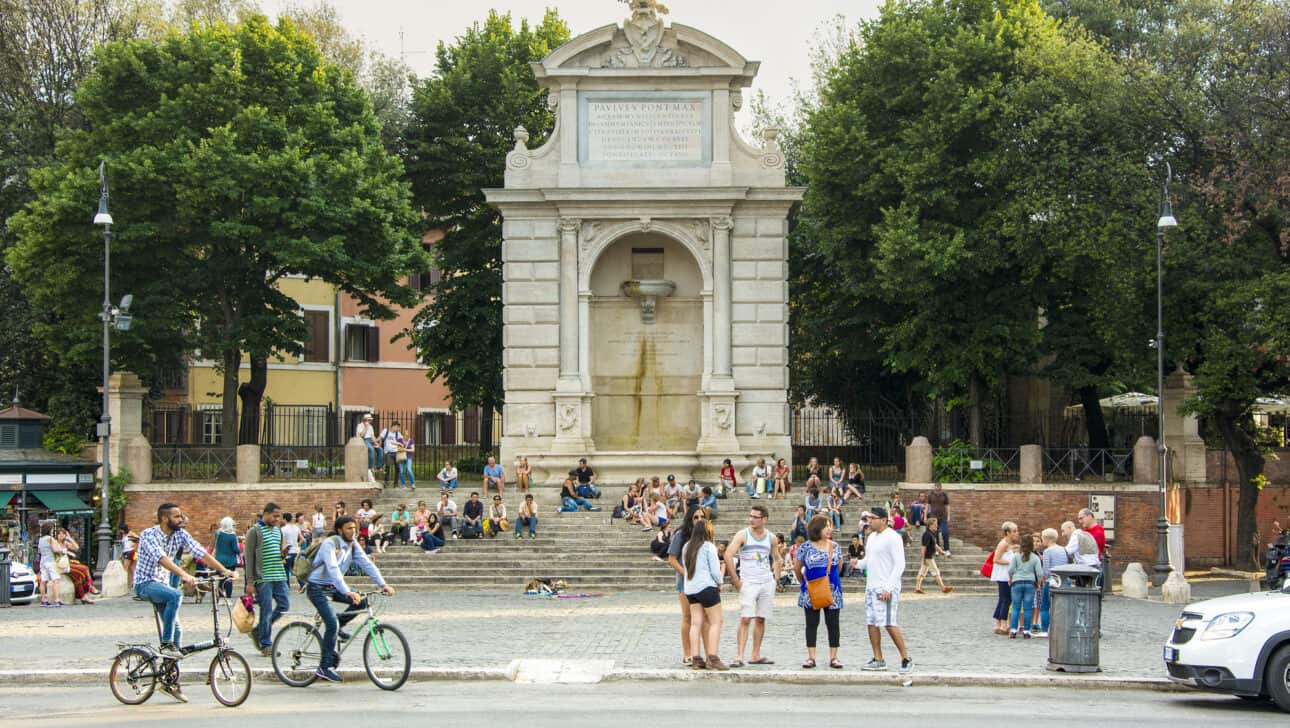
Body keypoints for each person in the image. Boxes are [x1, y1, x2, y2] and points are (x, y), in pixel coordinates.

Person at [134, 503, 234, 700]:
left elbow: (201, 553)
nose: (181, 520)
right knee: (175, 595)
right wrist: (184, 575)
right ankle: (166, 645)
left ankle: (169, 680)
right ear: (165, 519)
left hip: (161, 585)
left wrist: (225, 571)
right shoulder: (149, 534)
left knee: (178, 630)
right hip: (145, 584)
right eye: (177, 516)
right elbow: (162, 559)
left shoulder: (180, 535)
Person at [302, 515, 395, 683]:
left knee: (363, 601)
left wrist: (383, 584)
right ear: (339, 530)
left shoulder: (353, 545)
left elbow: (367, 564)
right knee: (331, 622)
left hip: (334, 586)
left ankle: (338, 625)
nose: (353, 532)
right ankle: (324, 667)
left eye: (354, 528)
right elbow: (333, 569)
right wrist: (347, 591)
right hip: (316, 587)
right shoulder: (330, 543)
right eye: (349, 528)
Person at [854, 507, 912, 673]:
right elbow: (869, 560)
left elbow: (899, 564)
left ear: (884, 520)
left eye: (873, 518)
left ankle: (906, 658)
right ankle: (878, 658)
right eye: (869, 518)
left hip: (885, 587)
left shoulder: (893, 537)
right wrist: (857, 564)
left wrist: (889, 587)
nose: (870, 521)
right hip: (871, 586)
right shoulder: (871, 537)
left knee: (889, 623)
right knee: (872, 622)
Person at [725, 504, 782, 667]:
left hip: (766, 581)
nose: (752, 519)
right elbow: (728, 555)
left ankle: (755, 654)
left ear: (764, 519)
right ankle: (739, 656)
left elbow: (777, 558)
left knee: (761, 618)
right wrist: (736, 580)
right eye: (750, 516)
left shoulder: (771, 537)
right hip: (748, 582)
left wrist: (775, 578)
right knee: (745, 618)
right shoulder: (743, 535)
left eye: (755, 517)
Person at [794, 515, 843, 669]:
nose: (829, 528)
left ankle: (834, 657)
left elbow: (839, 566)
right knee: (811, 624)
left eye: (830, 525)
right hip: (811, 589)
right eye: (826, 525)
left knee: (833, 624)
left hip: (832, 589)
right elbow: (797, 567)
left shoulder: (835, 546)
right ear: (817, 528)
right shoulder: (805, 547)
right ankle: (811, 657)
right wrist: (804, 582)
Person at [243, 502, 290, 657]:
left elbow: (276, 552)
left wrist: (282, 554)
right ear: (266, 513)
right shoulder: (254, 532)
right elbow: (248, 558)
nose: (277, 519)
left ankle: (259, 631)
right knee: (266, 610)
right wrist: (250, 582)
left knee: (284, 605)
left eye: (279, 516)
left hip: (279, 574)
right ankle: (266, 643)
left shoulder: (278, 532)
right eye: (274, 516)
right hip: (263, 578)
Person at [683, 516, 728, 671]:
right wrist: (720, 582)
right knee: (716, 621)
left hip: (690, 589)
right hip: (707, 587)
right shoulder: (708, 546)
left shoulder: (687, 546)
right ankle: (713, 658)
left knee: (696, 623)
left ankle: (696, 658)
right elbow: (715, 571)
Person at [666, 505, 703, 667]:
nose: (699, 520)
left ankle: (697, 653)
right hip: (684, 583)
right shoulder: (681, 535)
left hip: (702, 583)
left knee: (701, 619)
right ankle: (687, 653)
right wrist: (685, 574)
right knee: (687, 616)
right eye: (696, 517)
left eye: (702, 517)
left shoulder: (705, 535)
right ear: (690, 519)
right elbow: (672, 559)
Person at [1007, 531, 1043, 639]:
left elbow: (1010, 570)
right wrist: (1039, 584)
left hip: (1017, 583)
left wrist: (1010, 579)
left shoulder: (1016, 557)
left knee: (1016, 607)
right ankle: (1026, 631)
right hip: (1030, 584)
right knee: (1027, 608)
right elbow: (1040, 573)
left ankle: (1013, 630)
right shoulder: (1035, 558)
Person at [991, 522, 1020, 635]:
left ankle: (998, 623)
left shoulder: (1009, 544)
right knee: (1006, 599)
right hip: (1003, 576)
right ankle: (1003, 623)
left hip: (1005, 575)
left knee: (1003, 599)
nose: (1016, 533)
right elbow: (996, 559)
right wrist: (1011, 563)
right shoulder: (1003, 544)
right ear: (1007, 533)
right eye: (1014, 531)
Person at [915, 516, 954, 594]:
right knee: (936, 571)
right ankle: (943, 588)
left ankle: (917, 588)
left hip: (929, 556)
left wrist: (941, 551)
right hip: (928, 557)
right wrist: (923, 559)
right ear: (930, 525)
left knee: (922, 573)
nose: (937, 525)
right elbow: (923, 547)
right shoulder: (927, 534)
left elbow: (935, 544)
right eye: (935, 524)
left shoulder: (931, 534)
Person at [1038, 528, 1065, 636]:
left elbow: (1045, 570)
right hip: (1063, 581)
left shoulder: (1048, 551)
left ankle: (1045, 630)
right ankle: (1059, 629)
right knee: (1060, 607)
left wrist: (1043, 580)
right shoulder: (1063, 549)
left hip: (1051, 581)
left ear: (1046, 539)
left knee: (1045, 606)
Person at [37, 523, 67, 607]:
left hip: (43, 561)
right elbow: (55, 549)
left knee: (43, 581)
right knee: (56, 580)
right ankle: (57, 600)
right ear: (49, 530)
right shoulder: (50, 539)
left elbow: (39, 551)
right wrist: (62, 550)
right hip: (51, 561)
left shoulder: (41, 539)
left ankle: (43, 600)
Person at [213, 517, 241, 598]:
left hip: (219, 560)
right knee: (229, 579)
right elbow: (236, 549)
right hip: (230, 561)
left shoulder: (218, 533)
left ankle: (221, 597)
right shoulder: (232, 536)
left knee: (221, 579)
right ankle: (228, 597)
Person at [375, 422, 403, 487]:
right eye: (397, 427)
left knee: (398, 468)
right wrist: (375, 442)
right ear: (393, 426)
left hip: (396, 452)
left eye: (398, 427)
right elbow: (380, 438)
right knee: (387, 467)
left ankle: (396, 484)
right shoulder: (386, 431)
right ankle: (386, 482)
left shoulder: (398, 434)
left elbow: (402, 441)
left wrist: (398, 444)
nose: (398, 429)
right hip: (388, 452)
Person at [926, 482, 951, 554]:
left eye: (938, 486)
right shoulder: (930, 495)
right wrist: (925, 516)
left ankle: (947, 549)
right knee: (935, 534)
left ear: (941, 487)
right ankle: (937, 549)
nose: (937, 488)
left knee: (945, 532)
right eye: (936, 486)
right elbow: (927, 506)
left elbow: (948, 505)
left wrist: (949, 516)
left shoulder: (944, 495)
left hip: (943, 517)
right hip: (933, 517)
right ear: (934, 487)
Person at [280, 512, 302, 585]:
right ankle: (302, 583)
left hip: (288, 552)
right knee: (294, 570)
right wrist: (297, 545)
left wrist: (282, 552)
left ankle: (287, 586)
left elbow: (283, 542)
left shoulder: (283, 529)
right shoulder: (296, 528)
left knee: (286, 570)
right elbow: (302, 539)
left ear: (285, 519)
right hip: (295, 551)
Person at [355, 413, 377, 481]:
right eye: (369, 420)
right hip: (363, 440)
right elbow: (361, 435)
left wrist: (376, 443)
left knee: (380, 450)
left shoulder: (371, 426)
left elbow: (372, 436)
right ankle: (370, 467)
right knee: (371, 449)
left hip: (370, 440)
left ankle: (379, 467)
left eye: (370, 420)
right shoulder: (360, 426)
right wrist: (366, 427)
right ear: (365, 420)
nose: (370, 421)